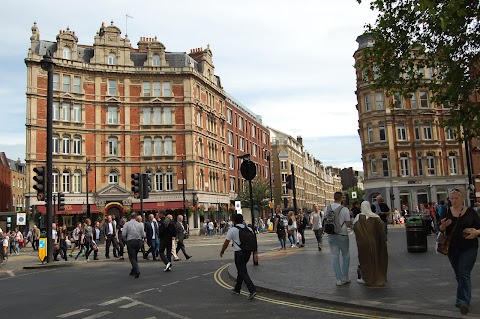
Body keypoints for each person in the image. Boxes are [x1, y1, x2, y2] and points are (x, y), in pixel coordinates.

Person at [438, 189, 480, 315]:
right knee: (459, 275)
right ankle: (464, 296)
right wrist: (443, 226)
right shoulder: (446, 211)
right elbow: (438, 229)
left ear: (462, 198)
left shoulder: (471, 212)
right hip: (452, 248)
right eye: (451, 198)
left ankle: (463, 302)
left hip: (469, 248)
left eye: (456, 198)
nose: (454, 200)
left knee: (463, 274)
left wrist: (476, 232)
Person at [220, 213, 257, 300]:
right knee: (241, 270)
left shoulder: (232, 230)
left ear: (234, 221)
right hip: (247, 253)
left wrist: (222, 251)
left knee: (242, 271)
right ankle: (237, 289)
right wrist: (255, 253)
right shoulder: (249, 229)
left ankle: (252, 290)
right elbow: (254, 241)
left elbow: (226, 242)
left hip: (239, 253)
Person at [353, 201, 388, 286]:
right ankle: (378, 277)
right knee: (377, 259)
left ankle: (367, 278)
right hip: (375, 243)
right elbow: (382, 229)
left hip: (363, 245)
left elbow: (355, 228)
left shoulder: (358, 217)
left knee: (365, 261)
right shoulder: (376, 217)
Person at [326, 191, 352, 286]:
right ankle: (345, 277)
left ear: (333, 198)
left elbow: (325, 220)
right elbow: (348, 223)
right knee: (346, 255)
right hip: (342, 234)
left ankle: (338, 279)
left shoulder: (327, 208)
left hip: (331, 235)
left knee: (334, 256)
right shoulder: (344, 209)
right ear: (341, 199)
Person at [122, 212, 145, 278]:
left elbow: (123, 234)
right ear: (136, 217)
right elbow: (143, 234)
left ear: (130, 217)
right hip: (138, 241)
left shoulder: (127, 224)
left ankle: (137, 270)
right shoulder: (140, 224)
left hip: (131, 241)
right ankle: (133, 270)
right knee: (135, 255)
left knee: (132, 257)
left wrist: (125, 240)